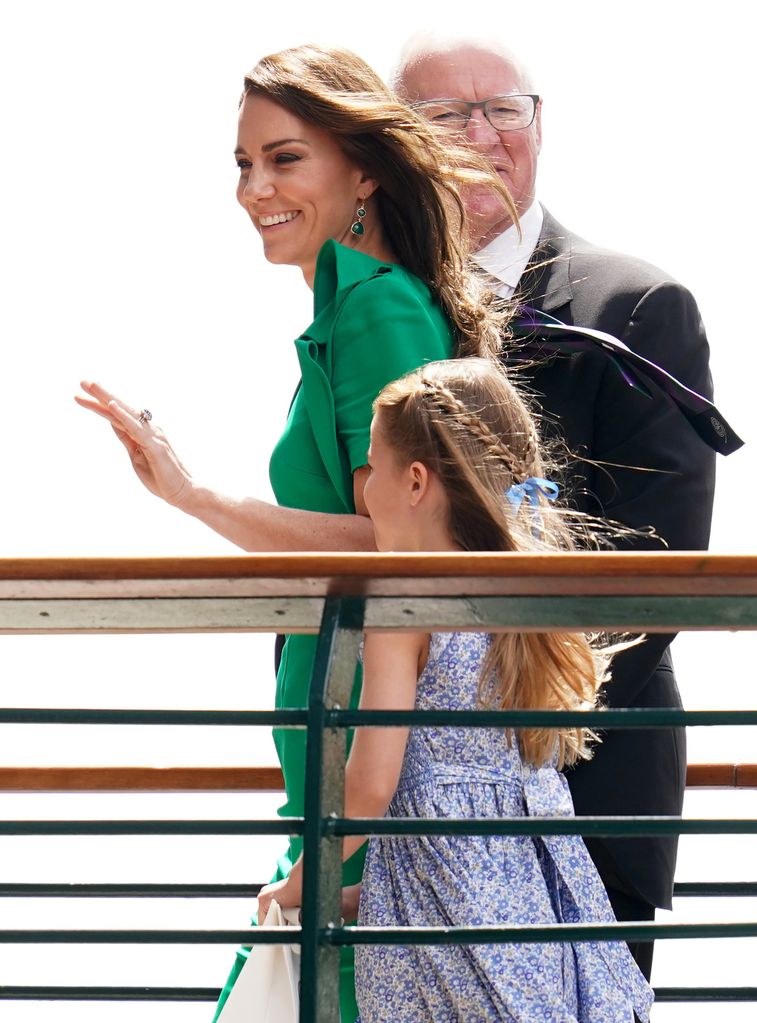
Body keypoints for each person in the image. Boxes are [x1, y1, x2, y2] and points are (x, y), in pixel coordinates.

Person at [75, 44, 509, 1023]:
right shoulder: (356, 306)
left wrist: (193, 497)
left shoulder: (373, 310)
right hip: (343, 748)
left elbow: (402, 541)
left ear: (363, 170)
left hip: (365, 753)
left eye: (283, 159)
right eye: (241, 163)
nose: (253, 189)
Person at [393, 33, 719, 980]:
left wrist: (502, 744)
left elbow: (656, 563)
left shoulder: (638, 304)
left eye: (505, 109)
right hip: (396, 789)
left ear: (541, 127)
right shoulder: (381, 306)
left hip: (586, 780)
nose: (481, 135)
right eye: (445, 115)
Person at [262, 357, 654, 1023]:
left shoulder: (405, 602)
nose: (364, 494)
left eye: (372, 467)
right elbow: (470, 818)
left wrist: (304, 884)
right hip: (536, 914)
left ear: (415, 481)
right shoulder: (515, 599)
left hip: (448, 935)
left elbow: (372, 785)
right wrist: (365, 893)